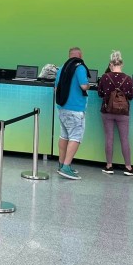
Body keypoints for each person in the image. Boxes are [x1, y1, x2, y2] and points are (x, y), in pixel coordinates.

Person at [96, 50, 133, 176]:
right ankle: (128, 167)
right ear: (122, 64)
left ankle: (109, 166)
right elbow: (131, 96)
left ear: (110, 64)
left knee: (109, 138)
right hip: (123, 113)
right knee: (124, 139)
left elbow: (100, 93)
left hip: (107, 111)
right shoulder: (128, 79)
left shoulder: (105, 77)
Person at [54, 47, 90, 180]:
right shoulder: (80, 67)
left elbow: (56, 88)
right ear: (80, 56)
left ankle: (61, 164)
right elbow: (84, 86)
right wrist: (89, 85)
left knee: (64, 136)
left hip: (62, 108)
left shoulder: (62, 68)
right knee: (75, 137)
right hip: (75, 110)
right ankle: (66, 167)